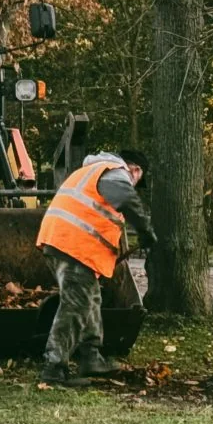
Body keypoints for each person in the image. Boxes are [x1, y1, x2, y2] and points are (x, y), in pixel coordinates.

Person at [35, 149, 158, 386]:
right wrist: (145, 230)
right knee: (76, 304)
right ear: (136, 170)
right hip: (73, 245)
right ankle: (53, 369)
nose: (134, 183)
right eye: (138, 180)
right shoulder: (115, 172)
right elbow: (125, 199)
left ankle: (91, 358)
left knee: (90, 299)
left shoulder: (91, 172)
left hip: (64, 242)